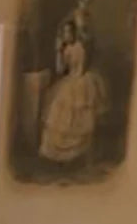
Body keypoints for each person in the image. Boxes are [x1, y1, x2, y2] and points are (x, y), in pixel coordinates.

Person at [39, 17, 108, 164]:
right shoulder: (67, 48)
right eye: (64, 33)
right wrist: (58, 51)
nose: (66, 35)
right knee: (58, 113)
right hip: (69, 79)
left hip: (79, 80)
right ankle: (58, 156)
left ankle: (76, 154)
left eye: (69, 32)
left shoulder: (78, 47)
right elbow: (60, 70)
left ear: (74, 33)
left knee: (75, 113)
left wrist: (72, 79)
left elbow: (79, 70)